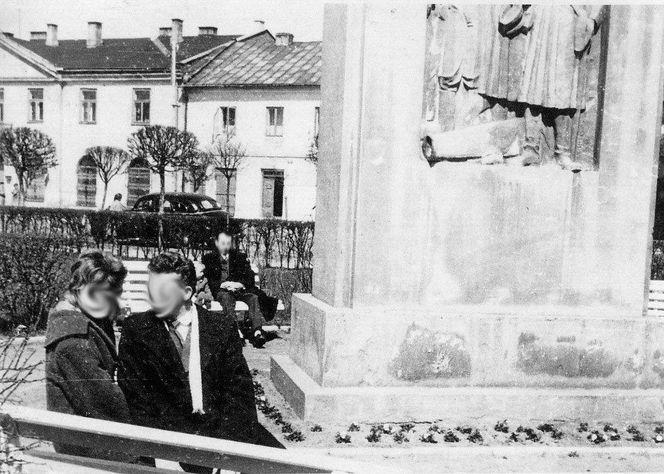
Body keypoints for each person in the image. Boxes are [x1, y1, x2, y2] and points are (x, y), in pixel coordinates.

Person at [118, 252, 282, 473]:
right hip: (168, 443)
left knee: (290, 468)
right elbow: (138, 401)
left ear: (186, 293)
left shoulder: (221, 327)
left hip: (219, 435)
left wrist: (227, 457)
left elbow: (239, 395)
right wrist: (165, 456)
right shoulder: (136, 330)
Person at [45, 251, 132, 461]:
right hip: (91, 452)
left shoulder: (78, 320)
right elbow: (108, 405)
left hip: (90, 444)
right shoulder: (74, 339)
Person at [201, 231, 278, 349]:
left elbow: (249, 275)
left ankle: (257, 332)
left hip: (239, 290)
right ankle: (236, 332)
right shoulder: (209, 258)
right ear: (216, 243)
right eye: (222, 243)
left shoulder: (239, 257)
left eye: (228, 243)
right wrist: (223, 285)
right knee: (226, 299)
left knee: (253, 298)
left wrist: (239, 284)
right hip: (222, 291)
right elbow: (210, 279)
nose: (225, 246)